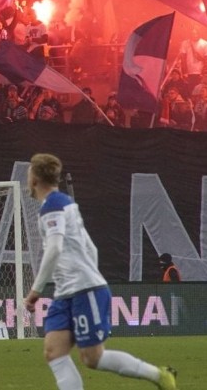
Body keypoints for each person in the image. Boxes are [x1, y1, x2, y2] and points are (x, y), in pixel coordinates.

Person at [23, 153, 177, 390]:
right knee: (54, 351)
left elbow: (54, 249)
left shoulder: (53, 206)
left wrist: (35, 290)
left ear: (34, 178)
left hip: (84, 290)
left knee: (92, 358)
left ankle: (159, 376)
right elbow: (90, 247)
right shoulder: (64, 203)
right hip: (67, 293)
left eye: (29, 174)